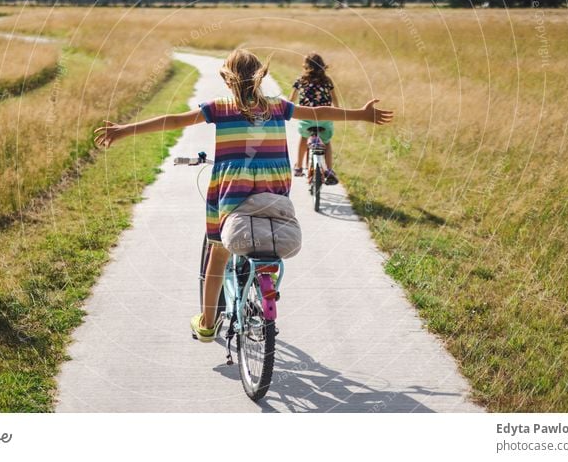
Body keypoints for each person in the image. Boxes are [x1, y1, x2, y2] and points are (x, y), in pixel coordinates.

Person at [93, 49, 393, 342]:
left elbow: (174, 120)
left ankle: (208, 324)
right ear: (260, 76)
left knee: (218, 252)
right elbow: (318, 112)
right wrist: (362, 115)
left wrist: (123, 130)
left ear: (227, 79)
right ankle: (266, 281)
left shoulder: (220, 107)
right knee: (268, 229)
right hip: (274, 186)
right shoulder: (277, 107)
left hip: (232, 189)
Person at [288, 53, 340, 185]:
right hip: (325, 116)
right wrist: (337, 111)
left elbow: (291, 101)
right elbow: (335, 100)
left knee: (304, 138)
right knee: (326, 142)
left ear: (306, 66)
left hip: (306, 116)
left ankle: (299, 167)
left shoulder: (300, 80)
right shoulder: (327, 81)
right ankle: (328, 170)